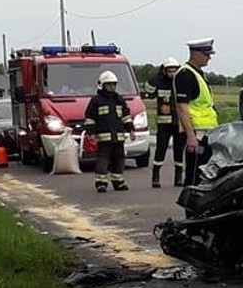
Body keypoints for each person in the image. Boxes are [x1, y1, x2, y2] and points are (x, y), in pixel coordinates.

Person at [174, 38, 218, 187]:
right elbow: (182, 107)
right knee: (194, 174)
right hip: (195, 134)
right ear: (194, 54)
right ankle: (191, 208)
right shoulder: (186, 74)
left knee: (204, 172)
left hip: (205, 132)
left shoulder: (198, 73)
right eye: (206, 54)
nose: (209, 57)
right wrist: (191, 136)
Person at [84, 70, 134, 192]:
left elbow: (126, 116)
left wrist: (130, 129)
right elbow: (90, 118)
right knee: (103, 160)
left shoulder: (119, 100)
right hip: (104, 138)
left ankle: (118, 182)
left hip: (118, 137)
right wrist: (90, 133)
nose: (111, 87)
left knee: (119, 160)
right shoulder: (96, 101)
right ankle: (101, 183)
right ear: (102, 85)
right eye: (108, 85)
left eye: (113, 84)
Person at [142, 57, 186, 187]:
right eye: (169, 71)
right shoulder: (159, 82)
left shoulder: (181, 83)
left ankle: (178, 178)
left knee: (179, 151)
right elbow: (148, 90)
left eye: (174, 71)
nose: (172, 74)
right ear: (164, 71)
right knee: (160, 150)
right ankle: (155, 177)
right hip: (164, 123)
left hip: (178, 122)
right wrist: (158, 76)